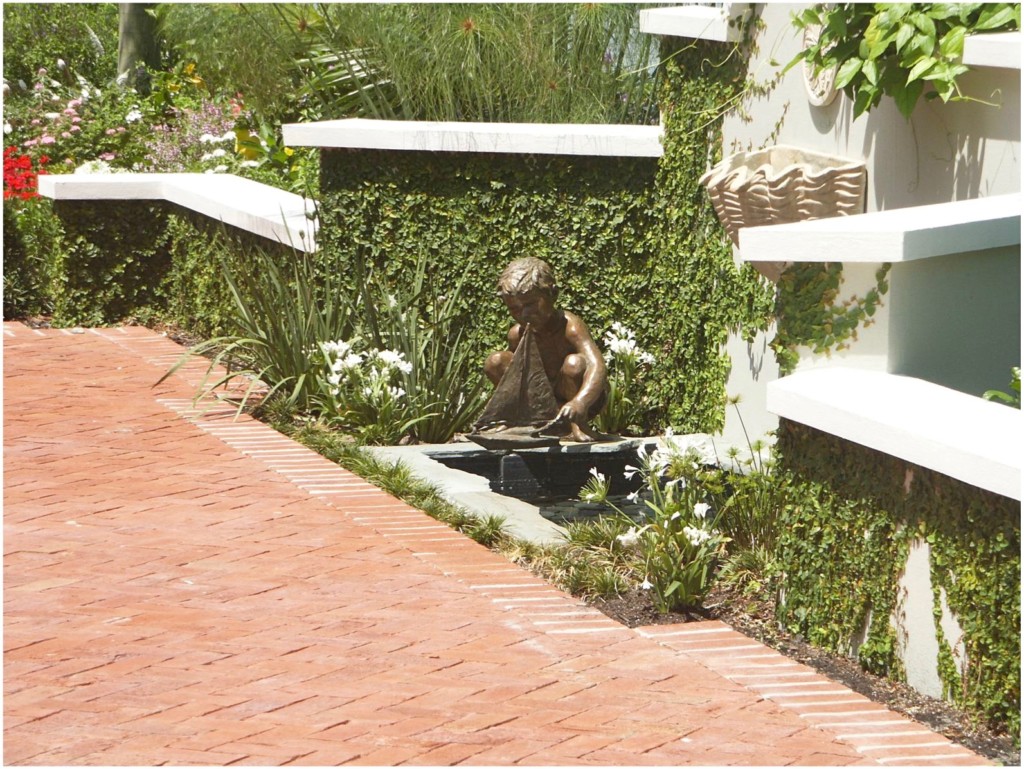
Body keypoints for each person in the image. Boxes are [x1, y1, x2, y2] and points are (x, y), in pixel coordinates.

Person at [484, 257, 607, 442]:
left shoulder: (570, 326)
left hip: (581, 401)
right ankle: (516, 419)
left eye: (530, 304)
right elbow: (513, 379)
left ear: (553, 294)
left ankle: (578, 425)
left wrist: (581, 401)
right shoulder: (517, 335)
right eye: (514, 309)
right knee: (496, 361)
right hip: (542, 402)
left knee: (574, 363)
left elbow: (597, 366)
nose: (523, 314)